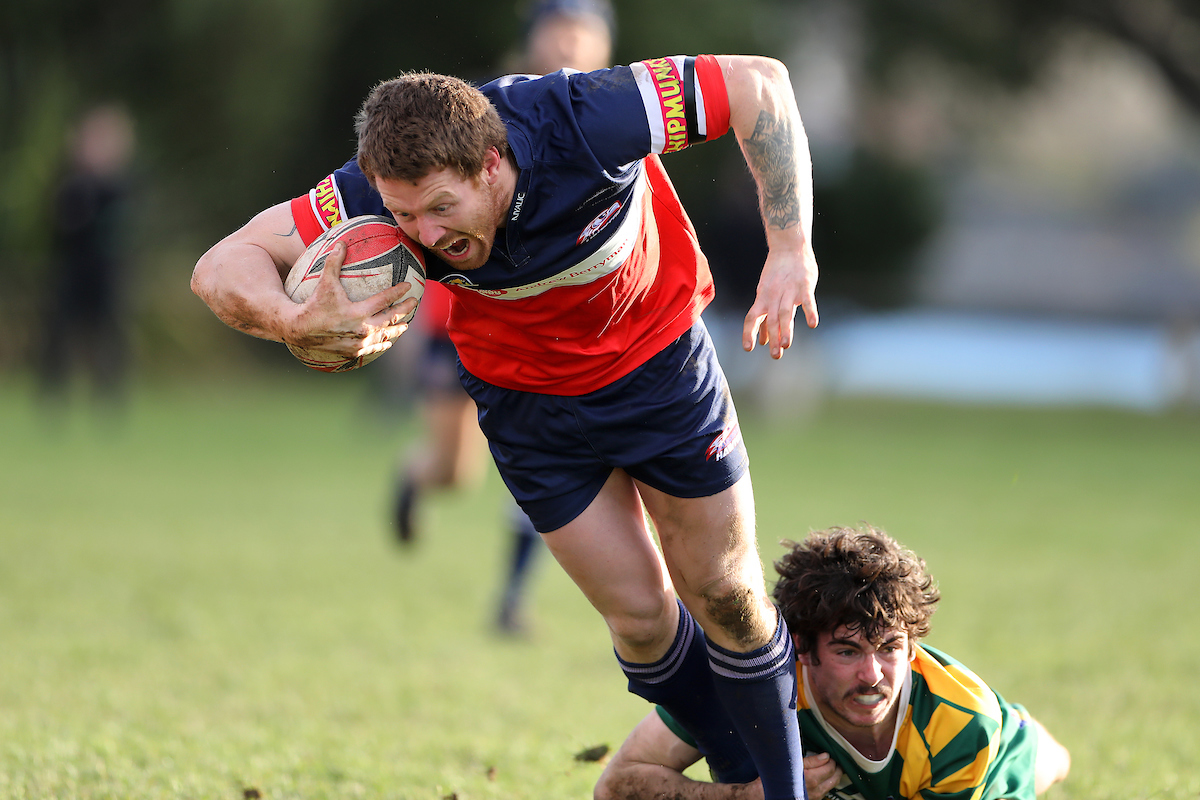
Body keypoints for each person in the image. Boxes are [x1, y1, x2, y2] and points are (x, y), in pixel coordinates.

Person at [192, 53, 819, 800]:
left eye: (439, 208)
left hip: (658, 370)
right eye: (402, 215)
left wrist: (789, 247)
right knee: (642, 621)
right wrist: (296, 318)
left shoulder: (586, 119)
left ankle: (786, 791)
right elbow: (222, 264)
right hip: (527, 407)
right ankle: (748, 776)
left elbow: (759, 85)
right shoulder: (366, 195)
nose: (420, 233)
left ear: (491, 165)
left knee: (723, 594)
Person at [392, 0, 618, 638]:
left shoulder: (616, 123)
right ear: (534, 39)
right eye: (559, 30)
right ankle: (413, 475)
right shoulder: (485, 119)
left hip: (554, 342)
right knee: (454, 472)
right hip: (462, 328)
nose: (571, 43)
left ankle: (511, 600)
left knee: (553, 467)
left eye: (586, 33)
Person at [595, 526, 1072, 800]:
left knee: (1049, 759)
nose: (873, 676)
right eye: (847, 652)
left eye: (889, 648)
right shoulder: (756, 680)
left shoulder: (961, 727)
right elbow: (616, 786)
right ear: (801, 647)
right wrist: (749, 797)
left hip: (1001, 751)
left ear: (912, 646)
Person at [37, 103, 137, 409]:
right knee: (59, 330)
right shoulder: (71, 184)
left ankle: (108, 394)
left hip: (106, 270)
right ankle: (52, 392)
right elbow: (62, 228)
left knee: (108, 331)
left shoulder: (119, 187)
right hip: (72, 269)